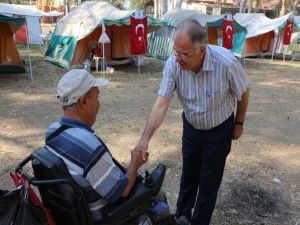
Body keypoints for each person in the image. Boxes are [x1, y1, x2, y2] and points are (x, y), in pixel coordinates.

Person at [135, 19, 250, 225]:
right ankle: (182, 216)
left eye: (184, 54)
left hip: (219, 129)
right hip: (191, 126)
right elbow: (162, 103)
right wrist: (145, 138)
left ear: (202, 50)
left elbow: (243, 93)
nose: (177, 58)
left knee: (209, 183)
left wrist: (239, 123)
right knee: (189, 176)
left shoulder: (227, 63)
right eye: (175, 51)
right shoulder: (173, 63)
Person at [45, 69, 148, 222]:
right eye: (97, 97)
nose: (99, 103)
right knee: (153, 194)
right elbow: (123, 191)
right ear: (83, 101)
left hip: (71, 215)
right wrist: (135, 162)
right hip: (104, 217)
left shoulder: (52, 131)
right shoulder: (89, 147)